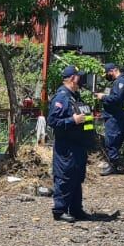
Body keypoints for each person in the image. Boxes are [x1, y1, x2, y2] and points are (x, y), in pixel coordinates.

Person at [46, 66, 96, 222]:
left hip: (79, 144)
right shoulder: (61, 97)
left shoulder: (75, 96)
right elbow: (52, 121)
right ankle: (59, 211)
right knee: (65, 177)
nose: (80, 80)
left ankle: (76, 209)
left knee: (77, 177)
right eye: (78, 77)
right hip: (66, 146)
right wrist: (72, 120)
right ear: (73, 78)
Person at [97, 62, 124, 175]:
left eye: (108, 73)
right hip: (111, 115)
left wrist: (103, 97)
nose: (108, 76)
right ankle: (113, 163)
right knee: (110, 140)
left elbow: (116, 99)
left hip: (114, 116)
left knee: (111, 140)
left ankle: (113, 165)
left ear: (113, 70)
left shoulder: (121, 82)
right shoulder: (116, 82)